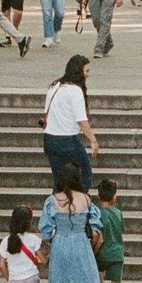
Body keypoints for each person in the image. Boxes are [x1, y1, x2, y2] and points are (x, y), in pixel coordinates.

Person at [42, 55, 99, 194]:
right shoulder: (75, 91)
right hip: (68, 140)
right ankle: (78, 206)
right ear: (78, 72)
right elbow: (81, 120)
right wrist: (93, 140)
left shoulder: (54, 86)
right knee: (85, 175)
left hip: (50, 139)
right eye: (86, 71)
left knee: (58, 180)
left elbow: (46, 114)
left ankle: (57, 209)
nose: (88, 75)